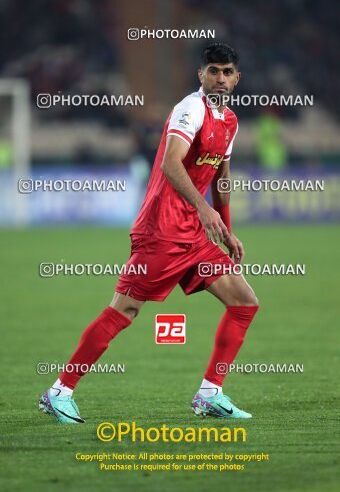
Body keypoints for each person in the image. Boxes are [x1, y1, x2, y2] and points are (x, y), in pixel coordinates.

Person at [39, 43, 259, 424]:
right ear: (200, 75)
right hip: (162, 231)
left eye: (226, 72)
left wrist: (226, 229)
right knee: (124, 310)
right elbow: (172, 165)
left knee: (244, 302)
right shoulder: (189, 110)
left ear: (237, 78)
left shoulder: (230, 122)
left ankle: (210, 393)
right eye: (213, 71)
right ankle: (59, 391)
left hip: (194, 236)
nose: (220, 79)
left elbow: (221, 178)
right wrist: (205, 210)